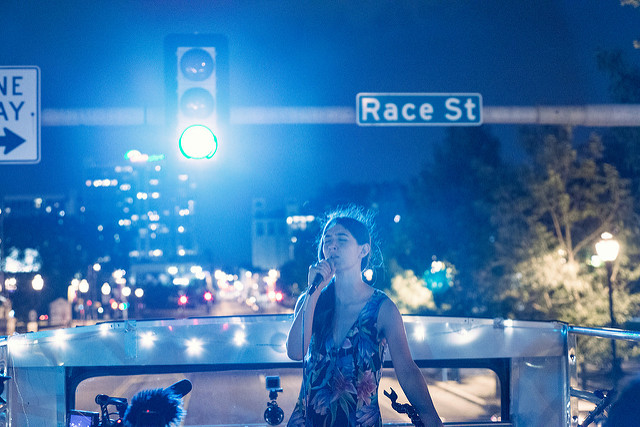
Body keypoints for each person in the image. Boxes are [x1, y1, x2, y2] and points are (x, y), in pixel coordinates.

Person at [286, 206, 443, 427]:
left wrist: (430, 417)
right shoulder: (311, 300)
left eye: (342, 239)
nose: (332, 245)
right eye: (327, 240)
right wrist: (313, 292)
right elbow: (295, 352)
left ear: (364, 250)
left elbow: (407, 369)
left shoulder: (383, 308)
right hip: (310, 420)